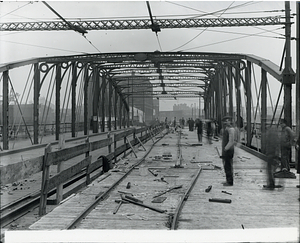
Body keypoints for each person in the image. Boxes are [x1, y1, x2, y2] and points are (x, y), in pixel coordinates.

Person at [221, 116, 235, 186]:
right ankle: (228, 180)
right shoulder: (226, 129)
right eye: (225, 121)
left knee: (228, 165)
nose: (226, 122)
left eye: (227, 121)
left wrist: (226, 148)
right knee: (226, 165)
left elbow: (231, 141)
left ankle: (230, 181)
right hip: (226, 150)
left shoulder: (231, 129)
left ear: (230, 121)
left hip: (229, 150)